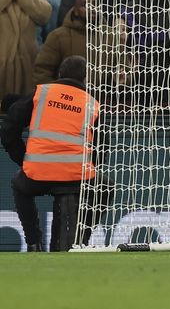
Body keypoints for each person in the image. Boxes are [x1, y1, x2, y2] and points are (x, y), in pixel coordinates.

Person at [0, 55, 108, 251]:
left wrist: (23, 159)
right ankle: (81, 239)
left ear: (59, 75)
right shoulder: (92, 104)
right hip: (76, 176)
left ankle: (33, 242)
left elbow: (8, 128)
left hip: (38, 173)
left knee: (19, 185)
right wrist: (87, 168)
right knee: (105, 187)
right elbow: (102, 148)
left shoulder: (41, 93)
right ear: (85, 79)